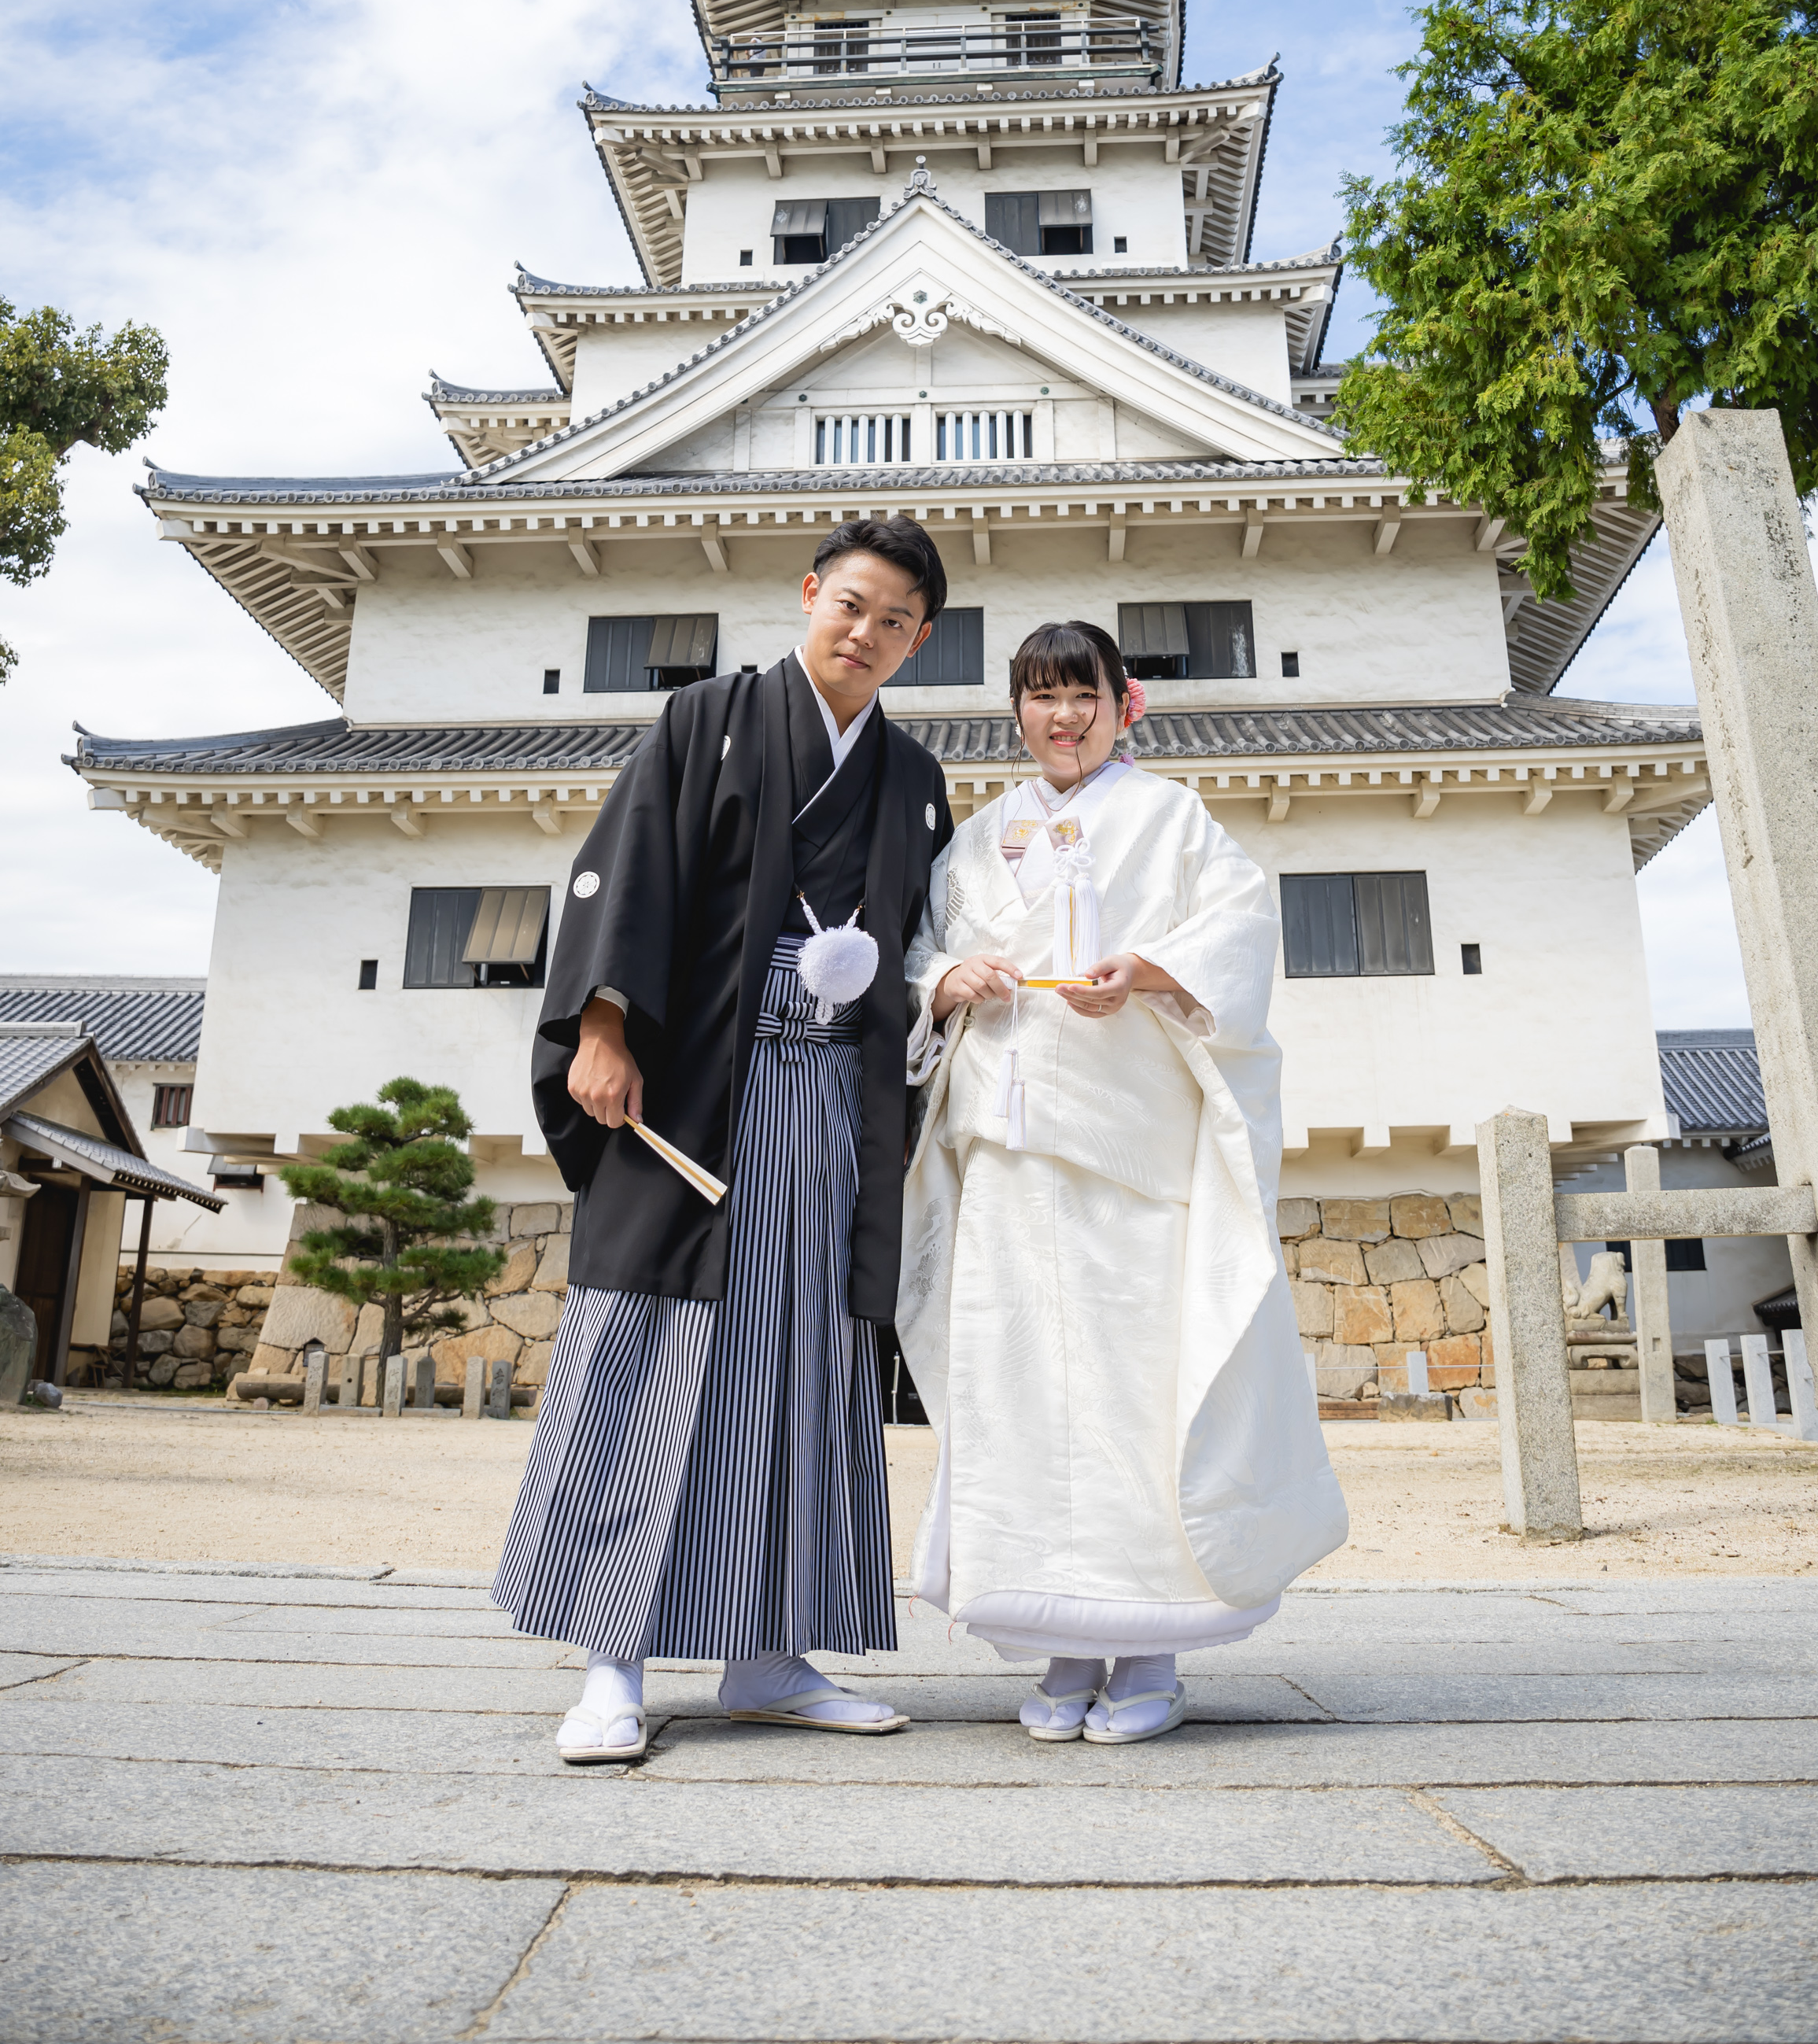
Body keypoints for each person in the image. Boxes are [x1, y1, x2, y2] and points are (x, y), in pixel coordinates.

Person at [493, 518, 954, 1762]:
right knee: (650, 1354)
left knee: (803, 1366)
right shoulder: (710, 719)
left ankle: (772, 1654)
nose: (866, 633)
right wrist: (600, 1027)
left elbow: (923, 946)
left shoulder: (913, 782)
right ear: (811, 595)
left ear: (918, 644)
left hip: (836, 1108)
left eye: (896, 620)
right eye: (852, 604)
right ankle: (611, 1662)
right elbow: (625, 870)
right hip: (701, 1086)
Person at [898, 619, 1348, 1747]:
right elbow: (920, 955)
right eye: (1041, 698)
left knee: (1137, 1394)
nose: (1063, 718)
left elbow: (1240, 928)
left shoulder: (1172, 817)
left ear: (1121, 701)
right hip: (1006, 1150)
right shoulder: (979, 834)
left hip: (1131, 1150)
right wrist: (956, 976)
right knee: (1020, 1397)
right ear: (1018, 711)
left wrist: (1150, 970)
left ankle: (1149, 1649)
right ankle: (1060, 1647)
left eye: (1081, 695)